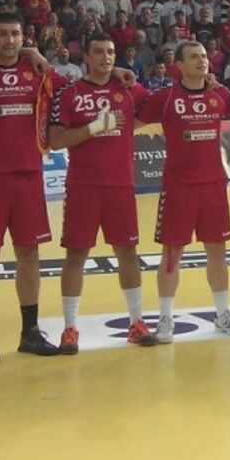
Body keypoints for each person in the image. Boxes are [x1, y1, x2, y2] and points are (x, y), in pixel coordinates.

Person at [48, 33, 157, 352]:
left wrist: (130, 78)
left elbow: (154, 108)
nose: (106, 57)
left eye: (110, 52)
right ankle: (70, 328)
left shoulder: (128, 89)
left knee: (128, 253)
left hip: (121, 185)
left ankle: (136, 323)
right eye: (98, 52)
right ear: (86, 57)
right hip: (82, 186)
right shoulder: (70, 93)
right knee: (76, 255)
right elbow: (56, 140)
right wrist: (95, 126)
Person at [136, 41, 230, 342]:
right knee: (172, 253)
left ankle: (222, 314)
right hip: (178, 187)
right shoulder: (165, 97)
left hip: (213, 185)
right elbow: (131, 125)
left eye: (204, 56)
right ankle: (165, 319)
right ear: (179, 65)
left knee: (217, 251)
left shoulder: (220, 94)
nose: (202, 61)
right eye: (194, 57)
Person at [0, 14, 62, 359]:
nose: (9, 40)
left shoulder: (37, 73)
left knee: (29, 254)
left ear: (24, 36)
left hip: (29, 175)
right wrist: (27, 51)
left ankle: (30, 332)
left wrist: (32, 55)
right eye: (3, 34)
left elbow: (80, 85)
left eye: (16, 34)